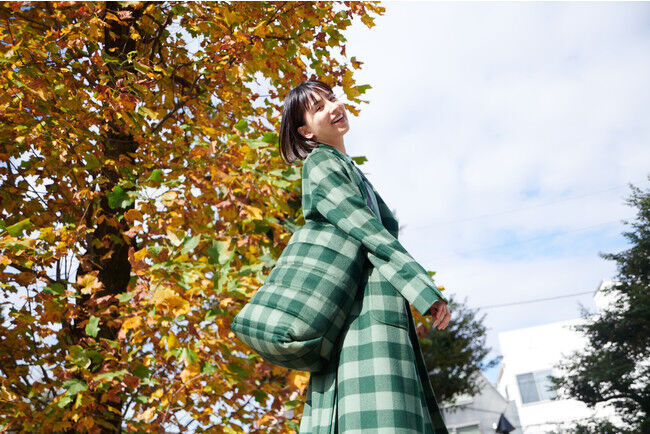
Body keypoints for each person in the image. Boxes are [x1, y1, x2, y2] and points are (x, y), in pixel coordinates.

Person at [278, 79, 451, 433]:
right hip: (360, 319)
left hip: (371, 313)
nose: (333, 107)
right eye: (318, 107)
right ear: (305, 131)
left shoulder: (346, 168)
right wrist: (423, 289)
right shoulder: (320, 165)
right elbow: (368, 231)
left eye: (331, 98)